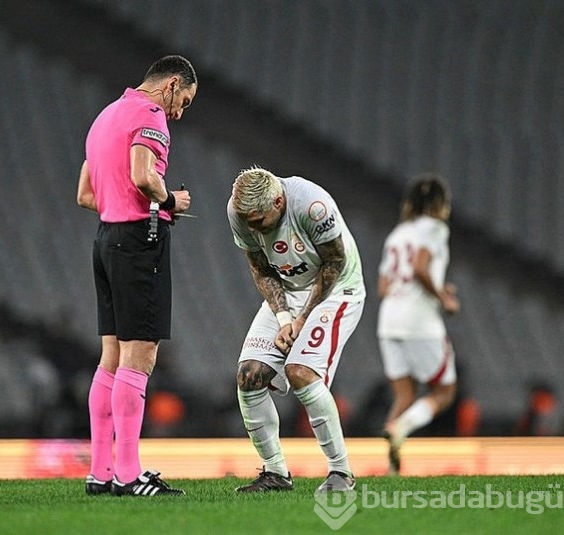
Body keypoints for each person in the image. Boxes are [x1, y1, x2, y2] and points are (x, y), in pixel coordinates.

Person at [78, 55, 197, 497]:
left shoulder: (105, 116)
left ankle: (100, 471)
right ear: (169, 85)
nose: (179, 113)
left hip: (105, 239)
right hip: (138, 242)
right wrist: (170, 202)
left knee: (110, 356)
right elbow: (144, 176)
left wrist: (125, 204)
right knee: (139, 356)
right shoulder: (150, 116)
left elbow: (85, 194)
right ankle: (129, 475)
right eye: (182, 100)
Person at [227, 166, 366, 493]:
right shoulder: (239, 210)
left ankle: (341, 472)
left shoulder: (312, 206)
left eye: (258, 221)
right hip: (290, 290)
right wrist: (284, 318)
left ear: (277, 202)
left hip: (336, 290)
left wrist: (302, 319)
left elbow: (335, 263)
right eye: (246, 220)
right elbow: (261, 269)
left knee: (300, 371)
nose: (251, 228)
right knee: (249, 375)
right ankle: (275, 473)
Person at [376, 173, 460, 475]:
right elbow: (420, 267)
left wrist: (436, 288)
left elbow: (384, 286)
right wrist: (443, 298)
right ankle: (401, 427)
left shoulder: (398, 234)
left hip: (388, 321)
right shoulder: (435, 228)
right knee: (444, 392)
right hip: (419, 322)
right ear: (440, 204)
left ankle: (391, 468)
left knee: (404, 395)